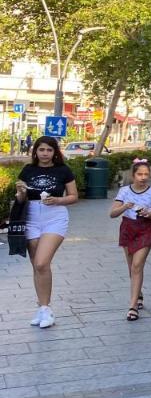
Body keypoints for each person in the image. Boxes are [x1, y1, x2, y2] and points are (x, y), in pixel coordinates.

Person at [15, 136, 79, 329]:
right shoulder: (28, 170)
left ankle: (46, 308)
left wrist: (58, 200)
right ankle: (43, 308)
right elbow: (19, 199)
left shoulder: (63, 170)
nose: (45, 153)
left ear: (54, 152)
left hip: (55, 217)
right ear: (35, 151)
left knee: (42, 262)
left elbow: (74, 196)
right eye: (41, 150)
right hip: (31, 216)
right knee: (37, 266)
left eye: (49, 150)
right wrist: (20, 192)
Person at [110, 158, 151, 321]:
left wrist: (149, 213)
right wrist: (125, 206)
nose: (143, 177)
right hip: (128, 229)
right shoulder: (124, 191)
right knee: (131, 266)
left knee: (137, 265)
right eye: (140, 174)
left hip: (145, 229)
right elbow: (112, 214)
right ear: (133, 175)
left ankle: (132, 307)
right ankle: (138, 294)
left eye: (146, 174)